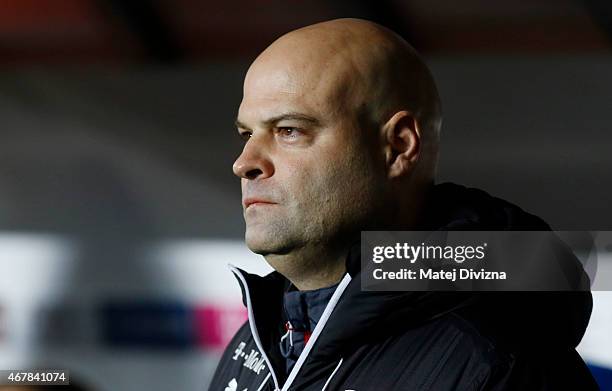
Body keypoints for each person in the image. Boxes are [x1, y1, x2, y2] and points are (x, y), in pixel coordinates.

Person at [209, 18, 597, 390]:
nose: (244, 163)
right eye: (247, 133)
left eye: (289, 130)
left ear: (397, 147)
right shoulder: (258, 338)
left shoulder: (496, 363)